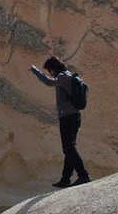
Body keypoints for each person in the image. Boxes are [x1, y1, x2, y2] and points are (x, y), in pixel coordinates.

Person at [30, 56, 91, 188]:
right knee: (69, 148)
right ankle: (65, 179)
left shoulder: (63, 76)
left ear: (53, 68)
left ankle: (83, 175)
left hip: (67, 117)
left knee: (68, 147)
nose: (50, 73)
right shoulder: (69, 75)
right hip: (74, 116)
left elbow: (49, 82)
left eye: (49, 71)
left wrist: (35, 71)